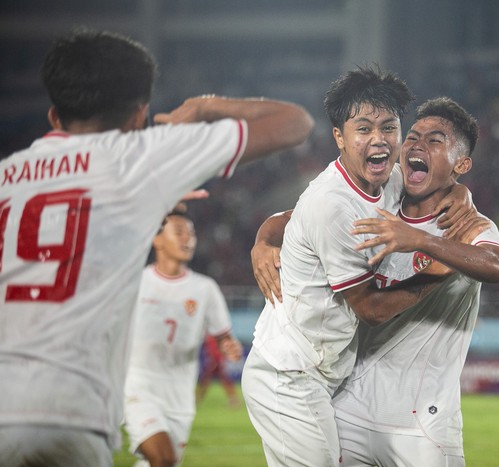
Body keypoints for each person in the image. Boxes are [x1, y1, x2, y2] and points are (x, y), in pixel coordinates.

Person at [0, 28, 313, 467]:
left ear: (54, 116)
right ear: (138, 115)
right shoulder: (139, 156)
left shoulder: (7, 174)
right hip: (70, 411)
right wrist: (205, 107)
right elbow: (294, 123)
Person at [242, 67, 473, 467]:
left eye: (389, 127)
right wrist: (435, 275)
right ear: (339, 138)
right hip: (288, 374)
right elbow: (369, 309)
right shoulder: (332, 205)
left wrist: (462, 193)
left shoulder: (393, 179)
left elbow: (286, 219)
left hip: (327, 371)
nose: (379, 139)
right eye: (363, 129)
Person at [329, 97, 499, 466]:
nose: (417, 145)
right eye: (413, 136)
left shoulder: (466, 226)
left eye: (435, 140)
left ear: (461, 164)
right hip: (350, 411)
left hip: (424, 425)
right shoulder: (377, 202)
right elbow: (306, 214)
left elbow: (497, 264)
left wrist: (424, 241)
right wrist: (265, 239)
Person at [123, 205, 244, 467]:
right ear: (156, 239)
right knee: (163, 458)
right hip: (139, 386)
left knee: (163, 463)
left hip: (180, 395)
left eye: (191, 233)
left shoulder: (204, 288)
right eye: (178, 232)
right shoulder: (134, 282)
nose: (187, 238)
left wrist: (229, 347)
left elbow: (223, 336)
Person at [196, 333, 242, 408]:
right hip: (213, 362)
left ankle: (234, 399)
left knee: (224, 380)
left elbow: (221, 350)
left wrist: (219, 360)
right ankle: (198, 398)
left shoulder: (217, 338)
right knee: (205, 381)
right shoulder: (210, 339)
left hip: (217, 362)